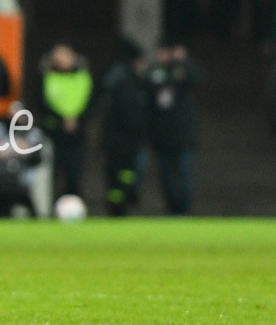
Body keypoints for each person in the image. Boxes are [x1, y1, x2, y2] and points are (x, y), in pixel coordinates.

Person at [145, 38, 199, 215]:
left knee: (183, 175)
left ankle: (183, 210)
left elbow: (198, 79)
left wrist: (183, 61)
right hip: (161, 136)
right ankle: (171, 210)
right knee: (166, 177)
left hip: (182, 136)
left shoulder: (183, 70)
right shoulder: (154, 71)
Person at [99, 37, 148, 216]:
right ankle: (120, 205)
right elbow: (129, 113)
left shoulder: (113, 78)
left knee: (119, 177)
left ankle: (118, 204)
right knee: (125, 174)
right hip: (125, 141)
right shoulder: (127, 82)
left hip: (115, 140)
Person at [39, 43, 93, 200]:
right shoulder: (47, 77)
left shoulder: (83, 77)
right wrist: (62, 120)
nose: (61, 61)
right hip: (55, 133)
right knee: (52, 175)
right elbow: (42, 104)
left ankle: (74, 207)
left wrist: (77, 120)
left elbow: (90, 102)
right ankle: (49, 209)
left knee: (74, 175)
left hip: (77, 134)